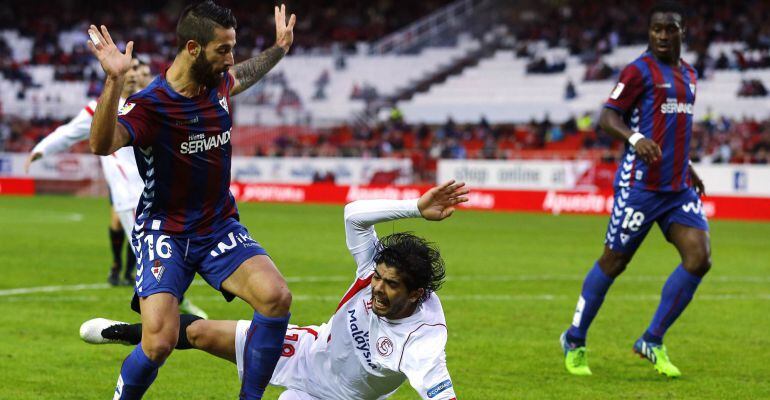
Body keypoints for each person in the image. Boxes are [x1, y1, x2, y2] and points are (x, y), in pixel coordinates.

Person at [80, 181, 468, 399]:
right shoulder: (374, 272)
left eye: (391, 285)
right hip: (308, 348)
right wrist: (415, 208)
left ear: (417, 294)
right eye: (378, 278)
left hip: (333, 397)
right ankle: (130, 332)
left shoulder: (423, 341)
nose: (376, 288)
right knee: (197, 332)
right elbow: (353, 214)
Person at [86, 2, 296, 399]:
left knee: (276, 297)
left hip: (218, 226)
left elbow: (243, 75)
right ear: (194, 49)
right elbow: (101, 143)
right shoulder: (151, 104)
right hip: (165, 230)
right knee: (158, 343)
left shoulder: (216, 83)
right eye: (223, 49)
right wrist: (114, 80)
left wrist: (279, 48)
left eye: (232, 47)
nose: (231, 58)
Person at [560, 1, 711, 378]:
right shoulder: (639, 70)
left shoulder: (690, 74)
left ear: (682, 32)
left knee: (699, 258)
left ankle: (652, 339)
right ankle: (574, 339)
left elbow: (675, 127)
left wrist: (687, 166)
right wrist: (635, 137)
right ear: (649, 33)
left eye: (669, 28)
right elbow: (607, 116)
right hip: (640, 187)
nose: (662, 35)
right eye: (656, 29)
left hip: (676, 188)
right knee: (614, 262)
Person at [25, 59, 150, 287]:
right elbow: (69, 132)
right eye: (128, 68)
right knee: (153, 263)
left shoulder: (150, 103)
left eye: (136, 69)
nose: (132, 74)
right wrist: (41, 149)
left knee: (162, 261)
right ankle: (175, 310)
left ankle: (172, 309)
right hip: (130, 195)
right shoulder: (101, 108)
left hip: (156, 191)